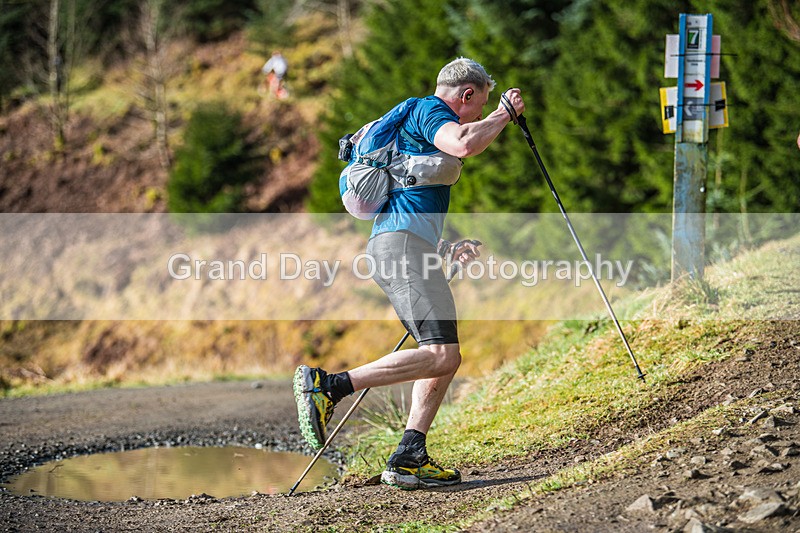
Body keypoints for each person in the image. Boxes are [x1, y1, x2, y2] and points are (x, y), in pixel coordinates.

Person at [293, 57, 525, 489]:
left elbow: (407, 196)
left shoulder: (414, 129)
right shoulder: (431, 111)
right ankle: (329, 386)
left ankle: (410, 455)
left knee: (438, 355)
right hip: (399, 248)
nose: (478, 114)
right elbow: (463, 143)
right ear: (467, 95)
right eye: (479, 105)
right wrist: (503, 115)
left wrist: (444, 247)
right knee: (443, 354)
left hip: (405, 245)